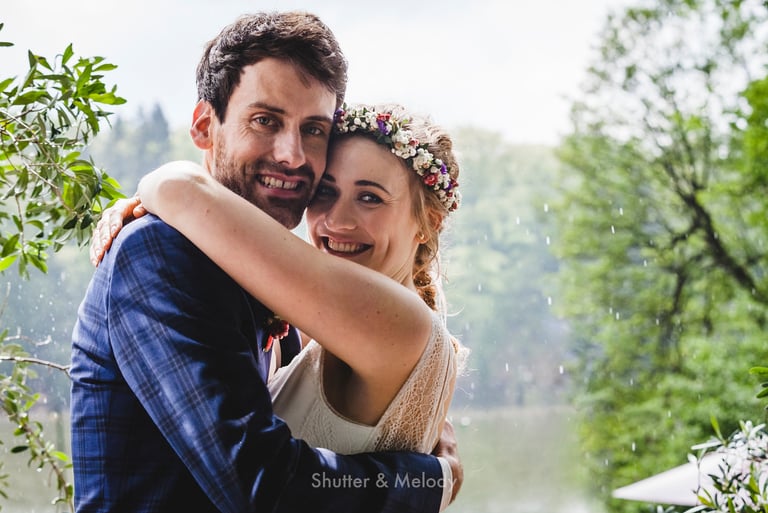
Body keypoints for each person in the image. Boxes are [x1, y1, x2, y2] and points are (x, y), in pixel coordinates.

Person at [70, 11, 461, 513]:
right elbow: (261, 484)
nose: (292, 155)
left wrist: (169, 184)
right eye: (265, 120)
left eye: (314, 129)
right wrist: (428, 482)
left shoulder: (291, 308)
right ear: (205, 126)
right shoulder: (158, 253)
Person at [95, 102, 465, 457]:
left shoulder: (401, 326)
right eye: (326, 191)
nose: (337, 221)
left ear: (428, 221)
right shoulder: (325, 332)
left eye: (369, 197)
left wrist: (155, 188)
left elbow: (179, 188)